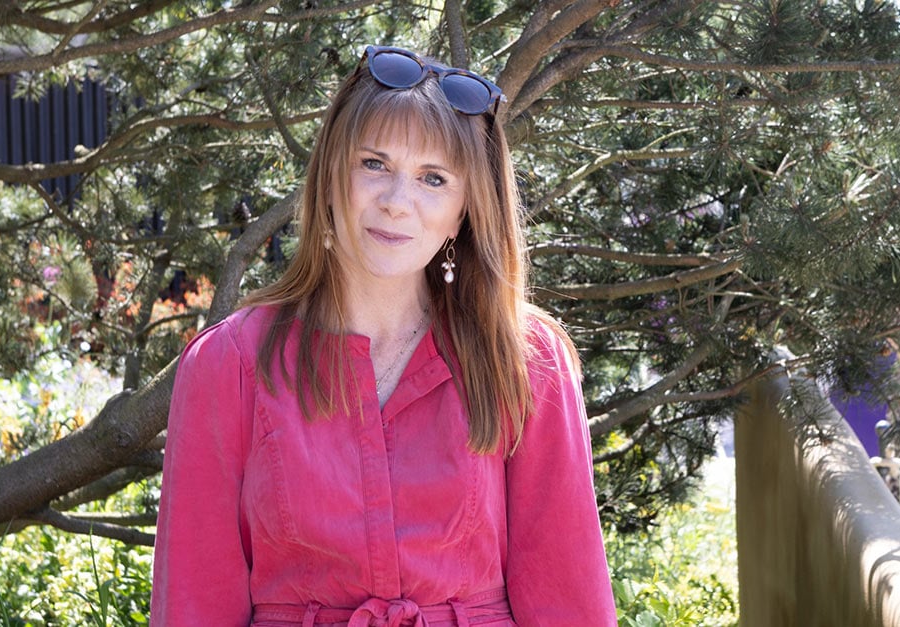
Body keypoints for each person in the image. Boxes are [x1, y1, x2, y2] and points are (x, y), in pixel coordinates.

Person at [150, 44, 617, 626]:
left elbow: (569, 601)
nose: (398, 203)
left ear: (465, 210)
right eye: (374, 164)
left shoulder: (524, 358)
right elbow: (193, 602)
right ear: (330, 176)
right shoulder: (230, 363)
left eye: (433, 178)